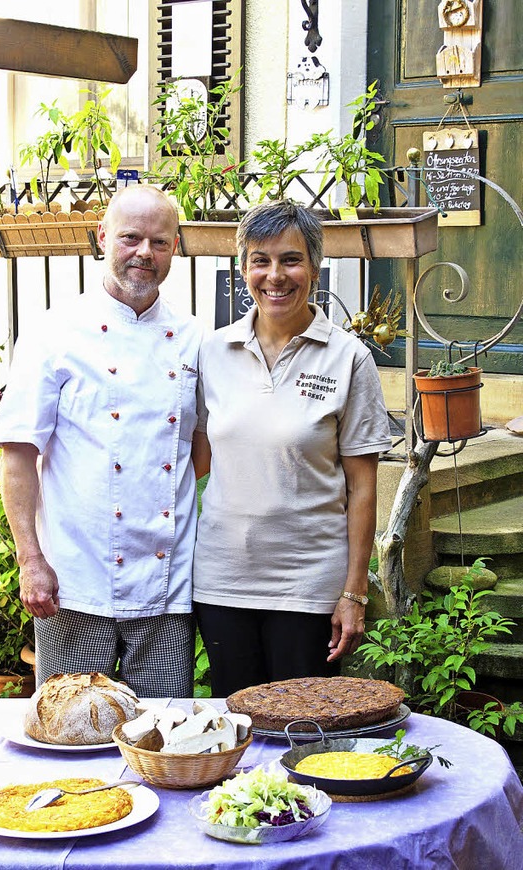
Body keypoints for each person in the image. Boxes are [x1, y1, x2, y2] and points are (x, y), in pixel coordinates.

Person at [0, 185, 204, 697]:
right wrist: (30, 560)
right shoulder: (53, 332)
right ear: (103, 236)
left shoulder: (195, 337)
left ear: (176, 247)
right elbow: (18, 453)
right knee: (72, 731)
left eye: (159, 242)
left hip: (165, 584)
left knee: (163, 737)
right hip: (74, 580)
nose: (144, 254)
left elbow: (202, 444)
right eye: (130, 238)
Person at [191, 199, 392, 697]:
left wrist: (354, 591)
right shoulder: (212, 353)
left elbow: (363, 487)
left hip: (308, 587)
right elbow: (197, 460)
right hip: (222, 583)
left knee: (301, 729)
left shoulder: (349, 358)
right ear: (243, 270)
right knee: (234, 726)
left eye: (290, 259)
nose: (275, 276)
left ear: (316, 267)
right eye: (260, 260)